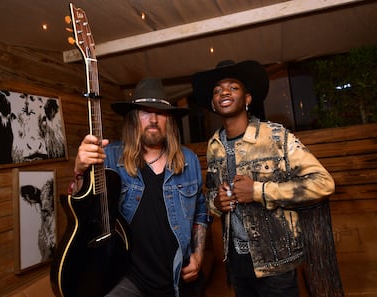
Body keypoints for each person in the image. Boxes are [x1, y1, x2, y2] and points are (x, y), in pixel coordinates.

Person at [191, 60, 336, 297]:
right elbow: (211, 197)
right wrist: (216, 204)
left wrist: (259, 191)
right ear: (213, 104)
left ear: (248, 99)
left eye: (233, 87)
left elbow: (323, 182)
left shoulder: (276, 136)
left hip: (276, 260)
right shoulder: (213, 146)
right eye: (217, 90)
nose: (224, 92)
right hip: (236, 261)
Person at [70, 77, 208, 297]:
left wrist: (199, 255)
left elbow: (201, 211)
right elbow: (84, 207)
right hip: (129, 279)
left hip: (179, 278)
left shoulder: (189, 160)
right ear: (134, 118)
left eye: (160, 112)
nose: (153, 119)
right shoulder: (110, 157)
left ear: (169, 120)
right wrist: (79, 169)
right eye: (145, 111)